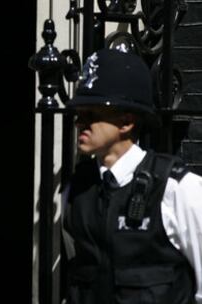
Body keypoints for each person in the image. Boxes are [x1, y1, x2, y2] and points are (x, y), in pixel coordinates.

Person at [62, 48, 202, 304]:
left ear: (126, 123)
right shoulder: (77, 189)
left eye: (91, 114)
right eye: (78, 114)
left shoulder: (177, 188)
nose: (80, 122)